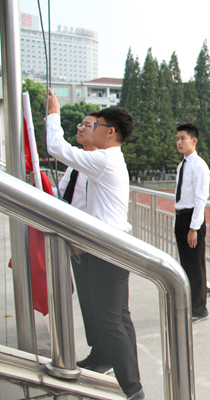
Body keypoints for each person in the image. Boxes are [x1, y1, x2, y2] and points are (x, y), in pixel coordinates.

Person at [46, 89, 145, 400]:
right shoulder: (107, 159)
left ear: (110, 132)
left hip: (107, 250)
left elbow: (55, 146)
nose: (91, 129)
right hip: (107, 247)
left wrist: (53, 113)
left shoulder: (105, 158)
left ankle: (133, 390)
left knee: (111, 321)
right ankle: (131, 384)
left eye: (97, 126)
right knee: (119, 318)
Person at [53, 112, 114, 374]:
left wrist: (53, 114)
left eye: (89, 126)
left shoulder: (97, 166)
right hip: (76, 239)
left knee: (99, 303)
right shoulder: (76, 165)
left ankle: (106, 354)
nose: (81, 129)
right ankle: (97, 349)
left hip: (90, 241)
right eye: (81, 125)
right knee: (87, 301)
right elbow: (63, 195)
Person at [174, 123, 210, 323]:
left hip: (192, 219)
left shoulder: (199, 166)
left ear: (193, 141)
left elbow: (200, 199)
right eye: (177, 138)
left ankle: (199, 309)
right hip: (181, 217)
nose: (179, 142)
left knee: (196, 266)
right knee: (185, 265)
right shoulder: (182, 165)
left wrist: (194, 228)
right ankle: (189, 305)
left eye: (183, 138)